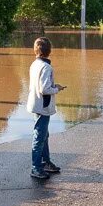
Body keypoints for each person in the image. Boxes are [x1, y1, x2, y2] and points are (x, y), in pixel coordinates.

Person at [26, 37, 65, 180]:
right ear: (49, 51)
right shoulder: (47, 67)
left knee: (43, 135)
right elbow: (44, 89)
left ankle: (45, 162)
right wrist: (57, 88)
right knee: (39, 136)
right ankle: (36, 168)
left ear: (36, 50)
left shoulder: (34, 64)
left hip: (35, 104)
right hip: (42, 106)